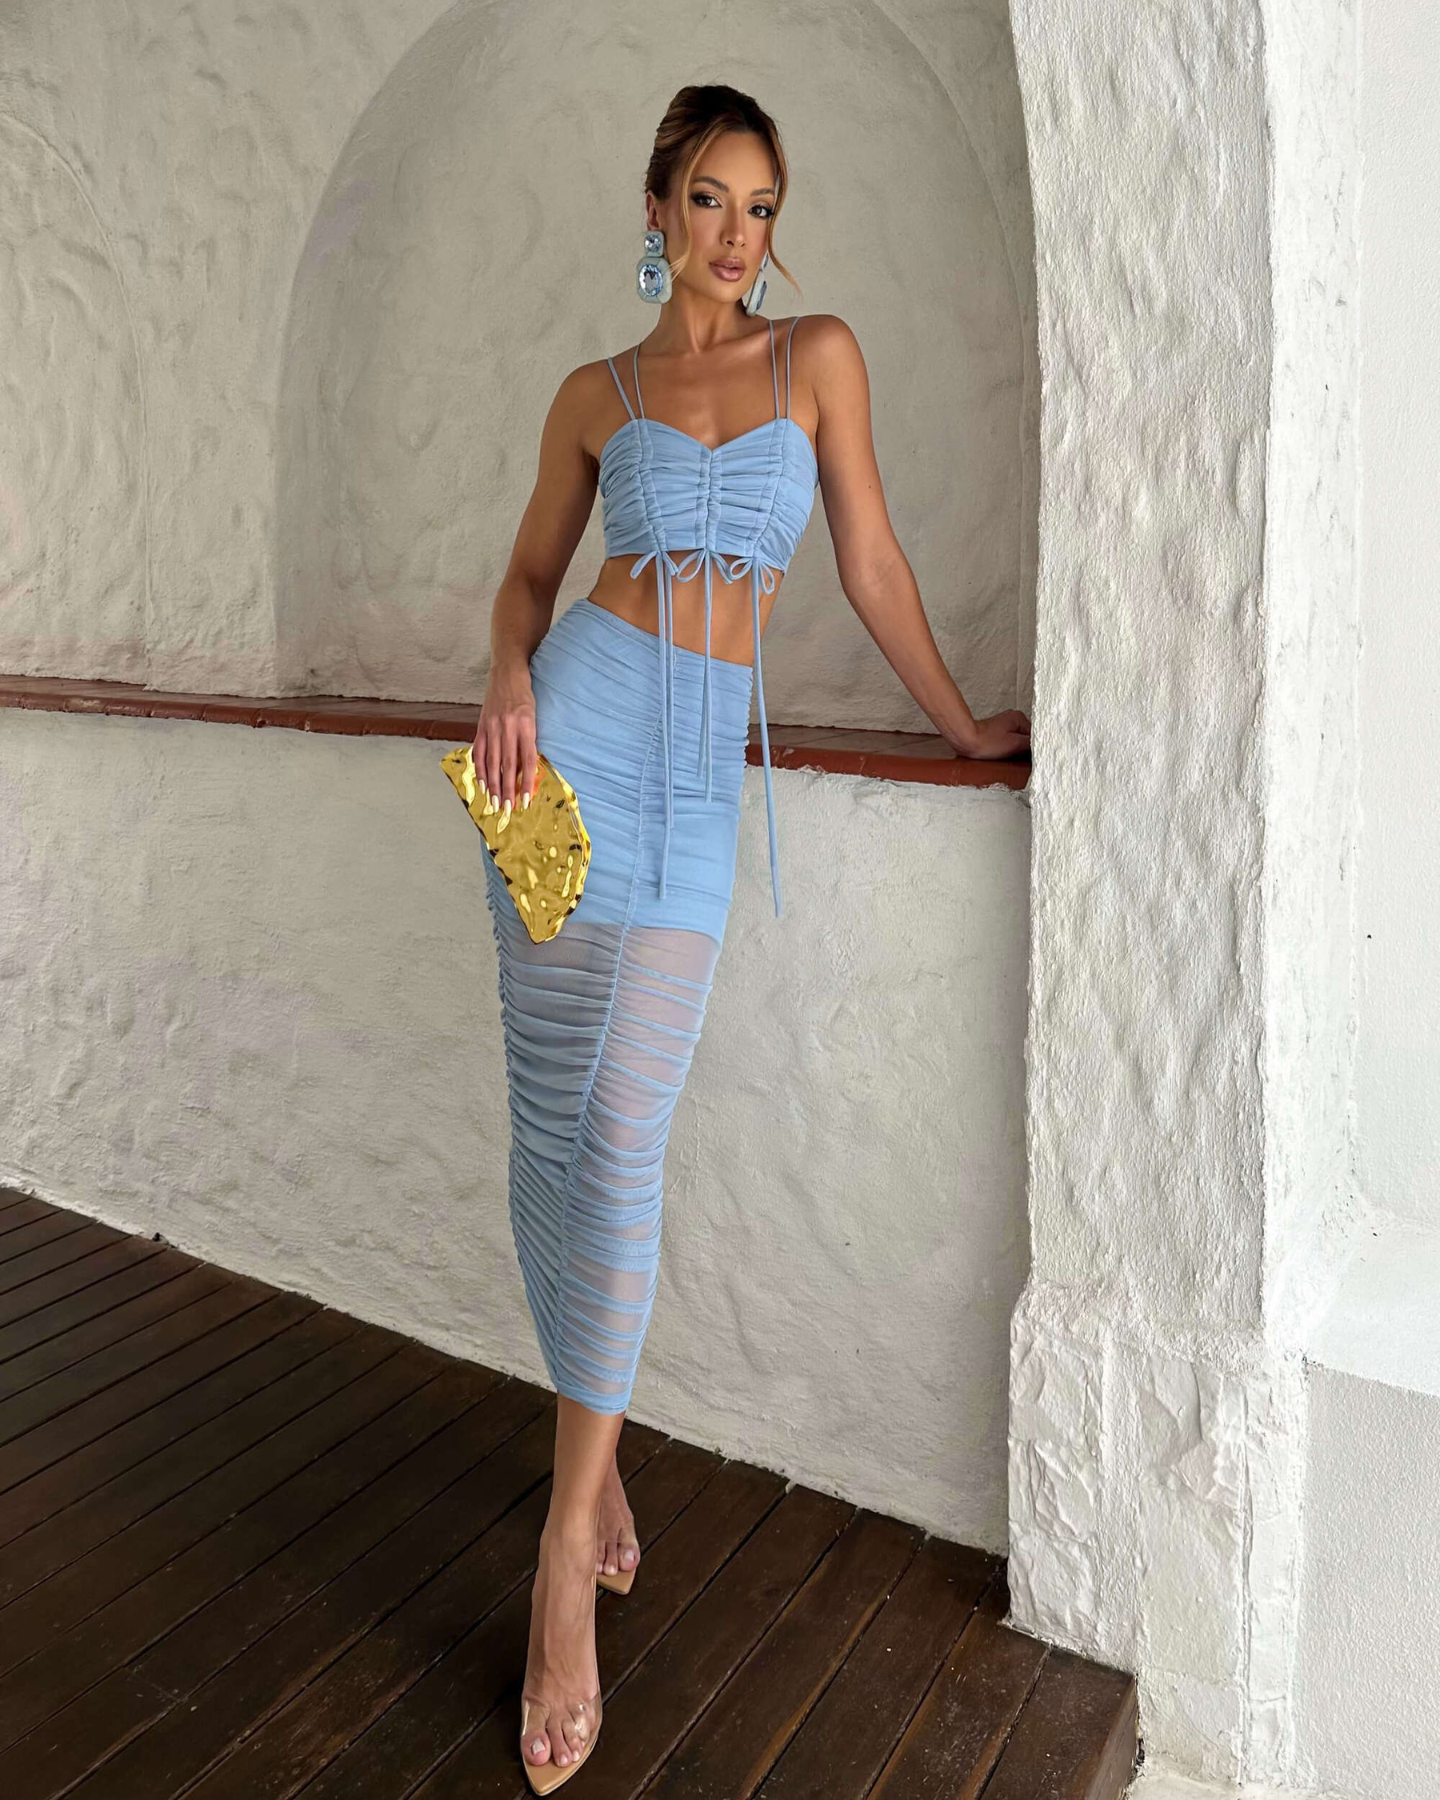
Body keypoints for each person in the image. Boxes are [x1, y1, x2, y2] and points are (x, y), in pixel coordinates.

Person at [470, 82, 1031, 1792]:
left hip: (697, 777)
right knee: (551, 1128)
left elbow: (871, 564)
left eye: (763, 204)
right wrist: (505, 674)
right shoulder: (598, 393)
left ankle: (564, 1542)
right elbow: (528, 580)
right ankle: (591, 1493)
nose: (738, 232)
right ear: (658, 211)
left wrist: (965, 730)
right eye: (711, 199)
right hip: (566, 743)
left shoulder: (818, 359)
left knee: (626, 1136)